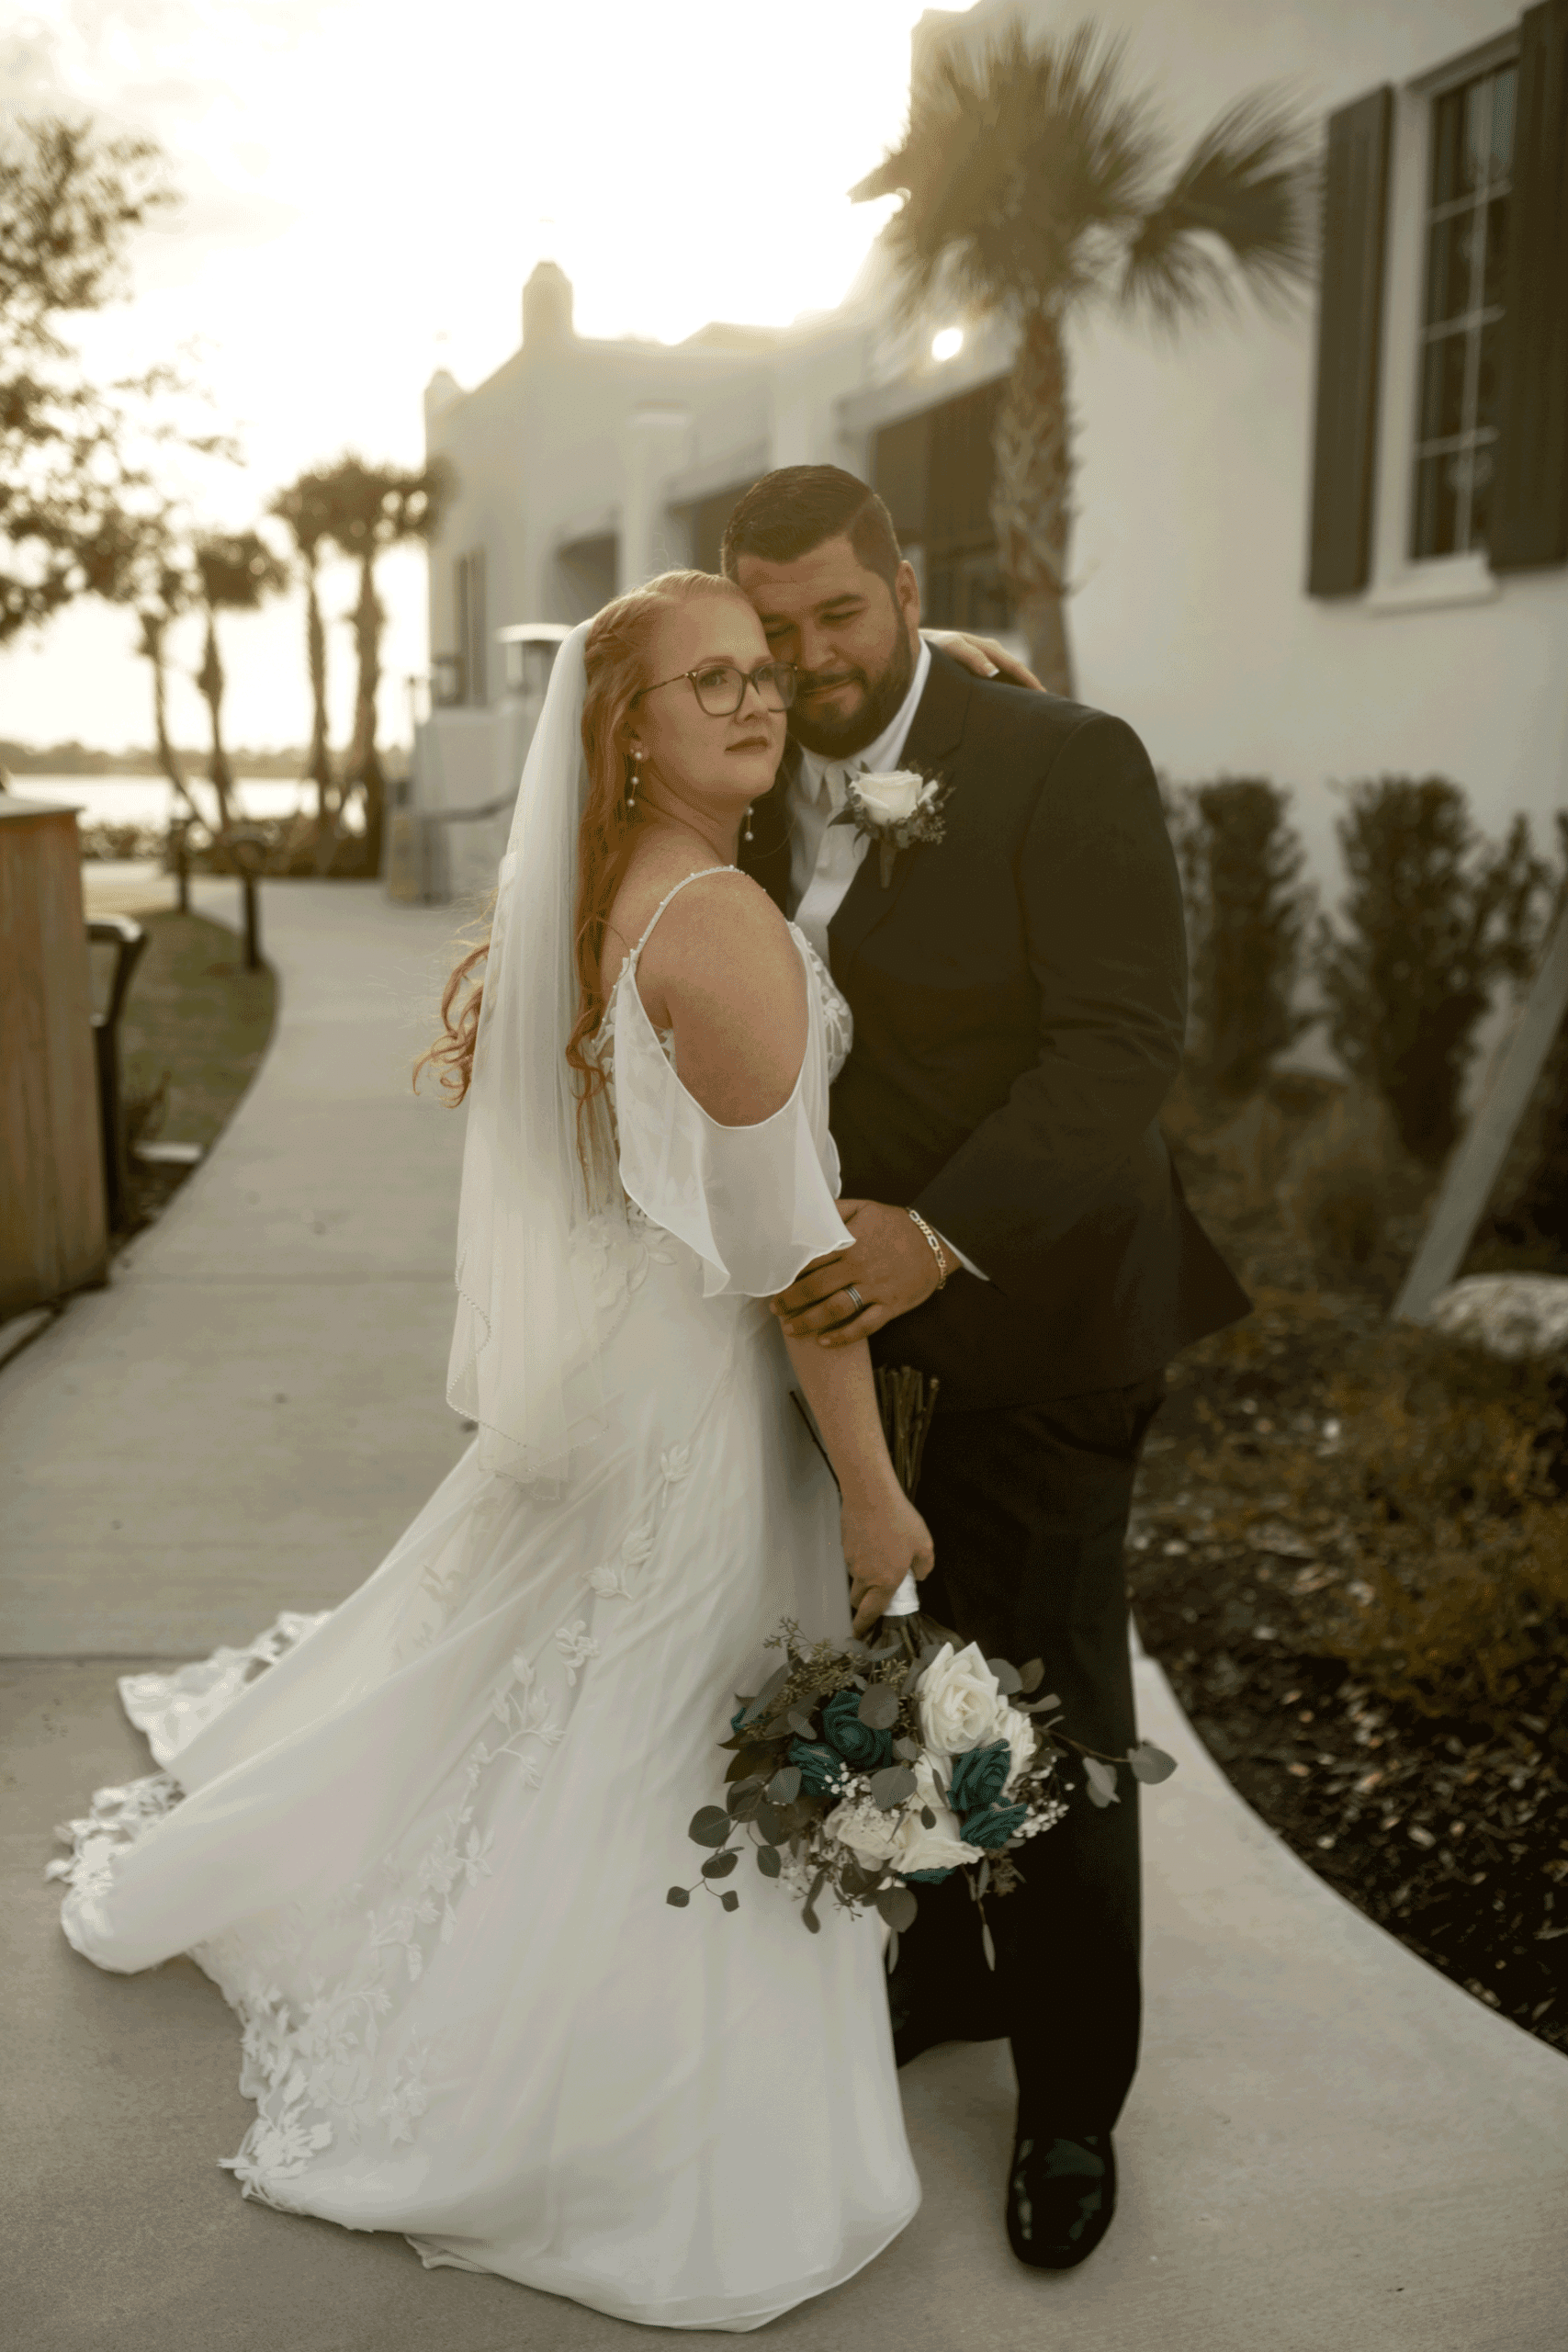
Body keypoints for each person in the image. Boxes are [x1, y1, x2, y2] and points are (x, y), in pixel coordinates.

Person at [53, 571, 941, 2333]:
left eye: (764, 675)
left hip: (621, 1363)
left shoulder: (608, 890)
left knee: (588, 1701)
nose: (757, 705)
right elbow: (796, 1276)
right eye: (712, 686)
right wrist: (869, 1489)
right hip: (699, 1398)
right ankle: (620, 2115)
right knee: (663, 1734)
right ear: (631, 731)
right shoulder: (725, 927)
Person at [724, 465, 1250, 2270]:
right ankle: (945, 1961)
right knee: (912, 1672)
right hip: (855, 1347)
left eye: (840, 619)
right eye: (774, 632)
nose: (811, 663)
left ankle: (1075, 2094)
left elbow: (1121, 1051)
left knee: (1052, 1714)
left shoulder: (1062, 759)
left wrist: (928, 1234)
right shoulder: (753, 782)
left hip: (1045, 1318)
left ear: (902, 581)